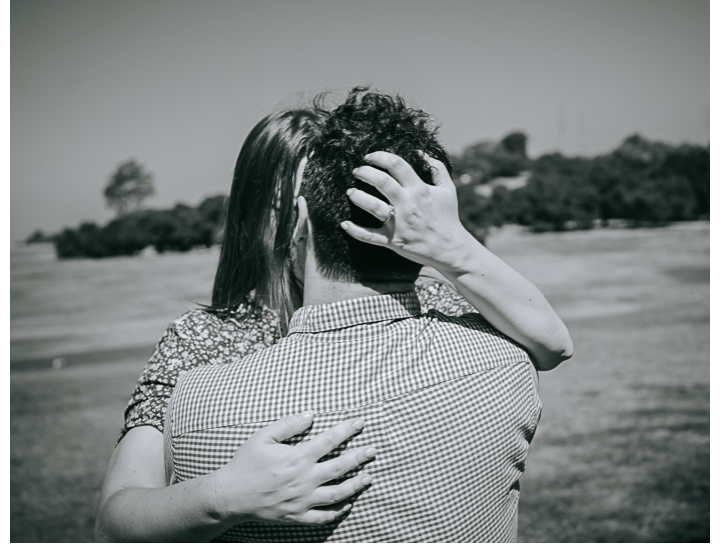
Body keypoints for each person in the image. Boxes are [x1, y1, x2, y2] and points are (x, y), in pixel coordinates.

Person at [96, 102, 571, 542]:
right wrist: (222, 497)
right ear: (270, 210)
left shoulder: (423, 298)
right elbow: (114, 521)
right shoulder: (204, 340)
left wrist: (450, 244)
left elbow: (551, 343)